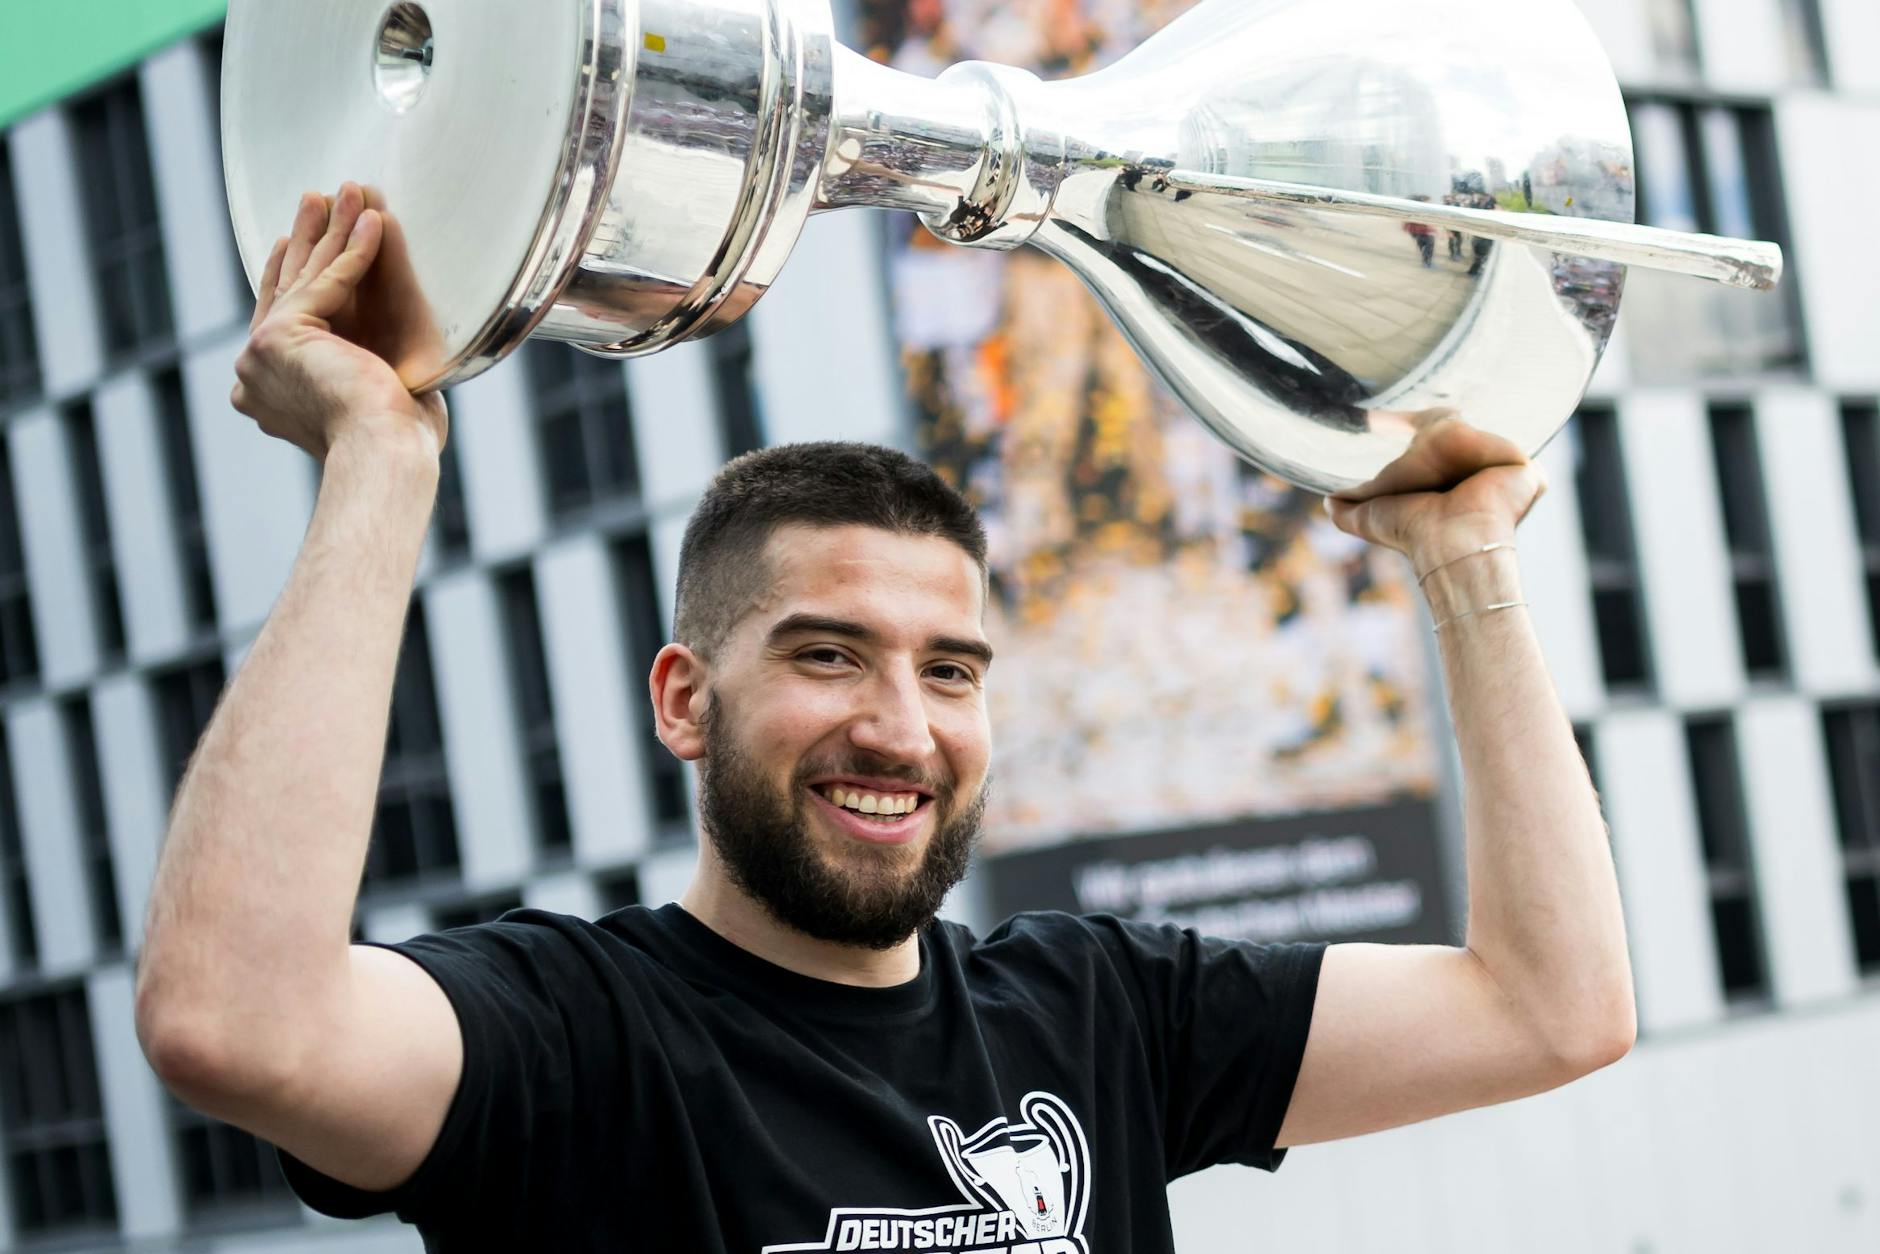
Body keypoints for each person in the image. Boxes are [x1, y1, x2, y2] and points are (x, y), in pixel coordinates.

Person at [134, 185, 1635, 1250]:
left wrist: (1466, 561)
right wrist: (381, 463)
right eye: (830, 655)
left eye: (952, 668)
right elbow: (233, 1020)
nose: (901, 727)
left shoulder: (1103, 1012)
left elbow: (1551, 1006)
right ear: (685, 700)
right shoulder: (574, 1041)